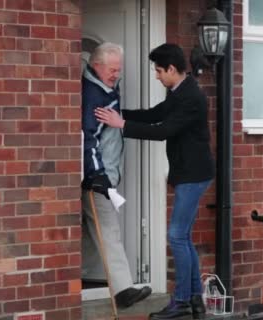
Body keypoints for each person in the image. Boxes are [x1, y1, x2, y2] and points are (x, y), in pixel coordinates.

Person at [95, 43, 215, 320]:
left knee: (176, 236)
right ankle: (196, 301)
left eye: (159, 71)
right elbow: (155, 114)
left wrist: (121, 125)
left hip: (194, 175)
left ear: (172, 69)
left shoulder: (192, 97)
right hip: (189, 173)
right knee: (183, 237)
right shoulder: (179, 90)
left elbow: (164, 130)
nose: (157, 76)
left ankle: (181, 301)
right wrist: (119, 114)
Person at [80, 42, 152, 308]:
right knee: (108, 229)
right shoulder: (93, 95)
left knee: (91, 231)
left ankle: (84, 275)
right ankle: (123, 290)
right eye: (112, 70)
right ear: (96, 66)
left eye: (118, 71)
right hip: (97, 180)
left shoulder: (103, 86)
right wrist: (97, 174)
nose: (116, 75)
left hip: (103, 175)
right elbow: (88, 139)